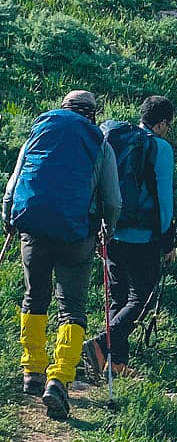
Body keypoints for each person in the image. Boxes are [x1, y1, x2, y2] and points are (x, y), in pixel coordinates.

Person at [3, 90, 121, 419]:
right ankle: (59, 379)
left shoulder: (41, 131)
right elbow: (112, 200)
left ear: (64, 109)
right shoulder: (100, 143)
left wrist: (8, 218)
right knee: (72, 309)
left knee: (34, 297)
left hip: (35, 230)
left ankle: (32, 371)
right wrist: (106, 231)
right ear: (92, 115)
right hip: (76, 237)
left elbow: (14, 182)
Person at [82, 96, 177, 381]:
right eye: (168, 125)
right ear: (161, 123)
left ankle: (116, 364)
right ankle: (99, 345)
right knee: (141, 298)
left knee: (118, 297)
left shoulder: (117, 140)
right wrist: (168, 241)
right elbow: (164, 200)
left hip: (110, 231)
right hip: (143, 237)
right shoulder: (160, 148)